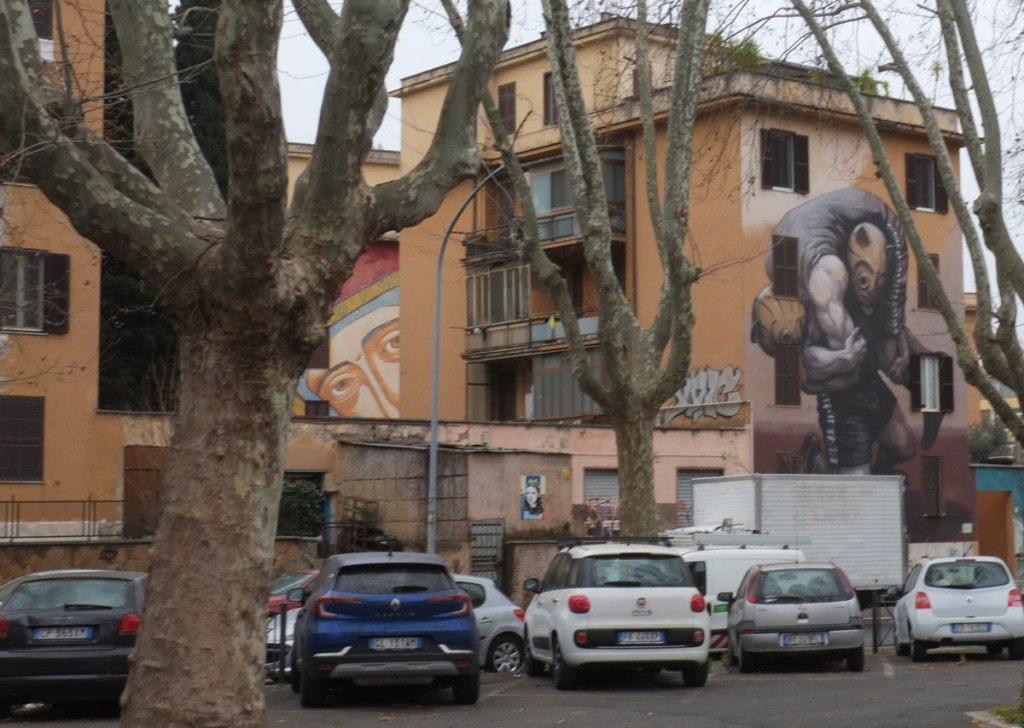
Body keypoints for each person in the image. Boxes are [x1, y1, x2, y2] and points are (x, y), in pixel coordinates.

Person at [756, 188, 916, 475]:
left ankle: (872, 482)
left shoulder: (885, 245)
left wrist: (902, 363)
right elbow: (811, 375)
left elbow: (889, 335)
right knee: (855, 477)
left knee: (904, 447)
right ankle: (823, 465)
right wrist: (844, 359)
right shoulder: (824, 280)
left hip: (868, 382)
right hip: (843, 399)